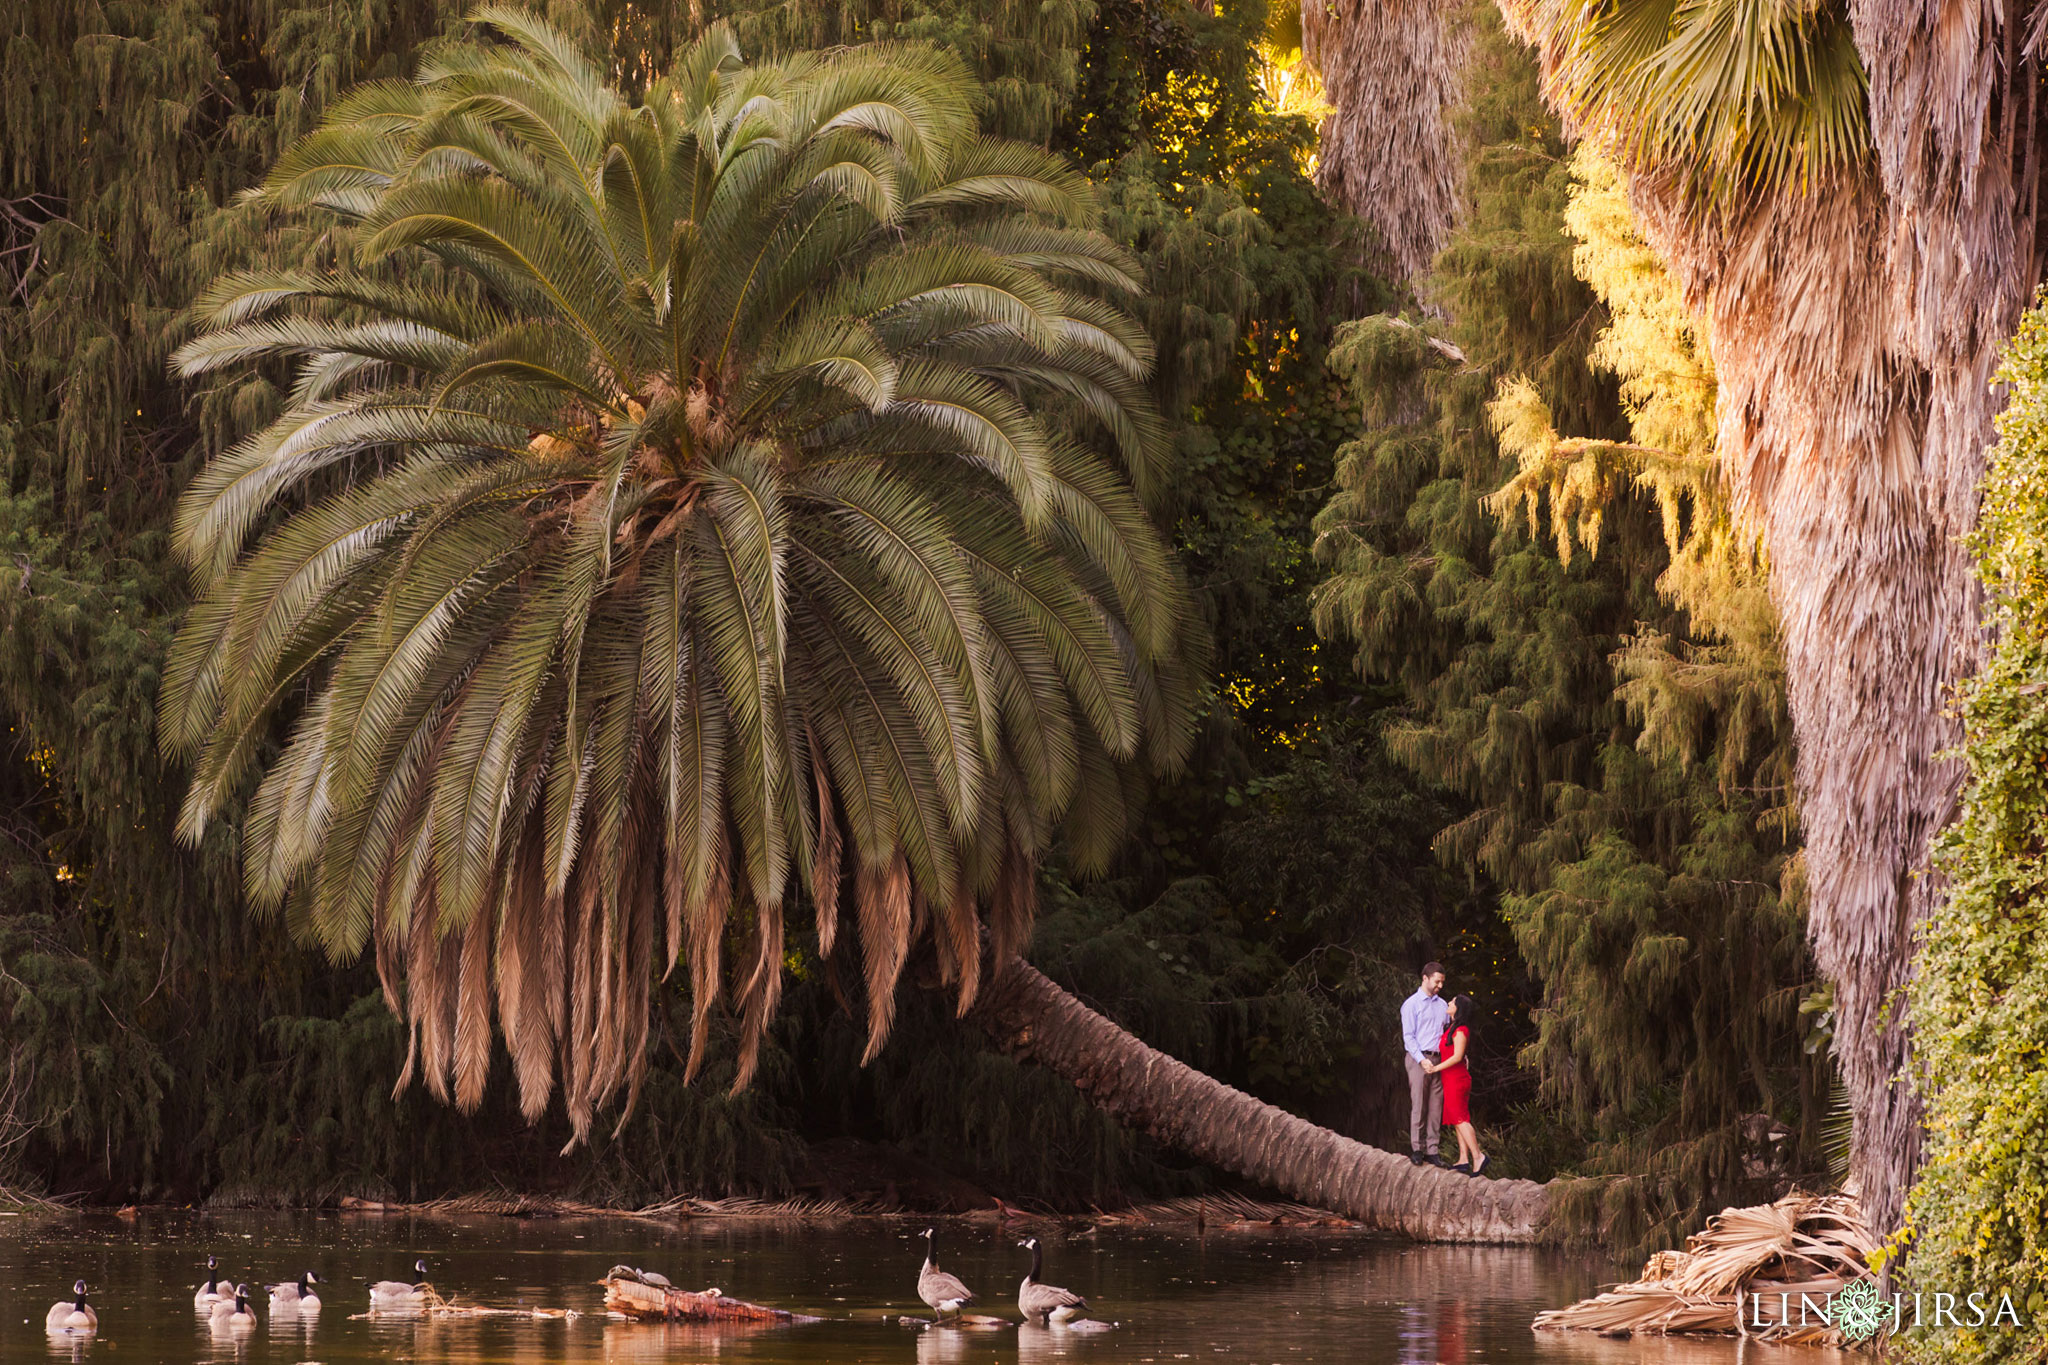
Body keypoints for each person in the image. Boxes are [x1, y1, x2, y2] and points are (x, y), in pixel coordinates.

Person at [1425, 994, 1488, 1176]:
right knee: (1456, 1118)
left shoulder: (1461, 1029)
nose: (1449, 1003)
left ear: (1458, 1008)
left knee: (1460, 1119)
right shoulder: (1451, 1027)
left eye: (1452, 1002)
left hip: (1457, 1079)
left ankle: (1478, 1156)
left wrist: (1436, 1068)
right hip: (1450, 1078)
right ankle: (1463, 1159)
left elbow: (1457, 1056)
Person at [1400, 963, 1449, 1167]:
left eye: (1442, 982)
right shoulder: (1411, 1004)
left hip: (1439, 1060)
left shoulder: (1443, 1005)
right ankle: (1417, 1149)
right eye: (1437, 981)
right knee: (1419, 1104)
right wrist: (1422, 1060)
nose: (1439, 985)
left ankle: (1432, 1150)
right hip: (1418, 1059)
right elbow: (1408, 1037)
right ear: (1425, 978)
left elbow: (1448, 1032)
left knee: (1436, 1106)